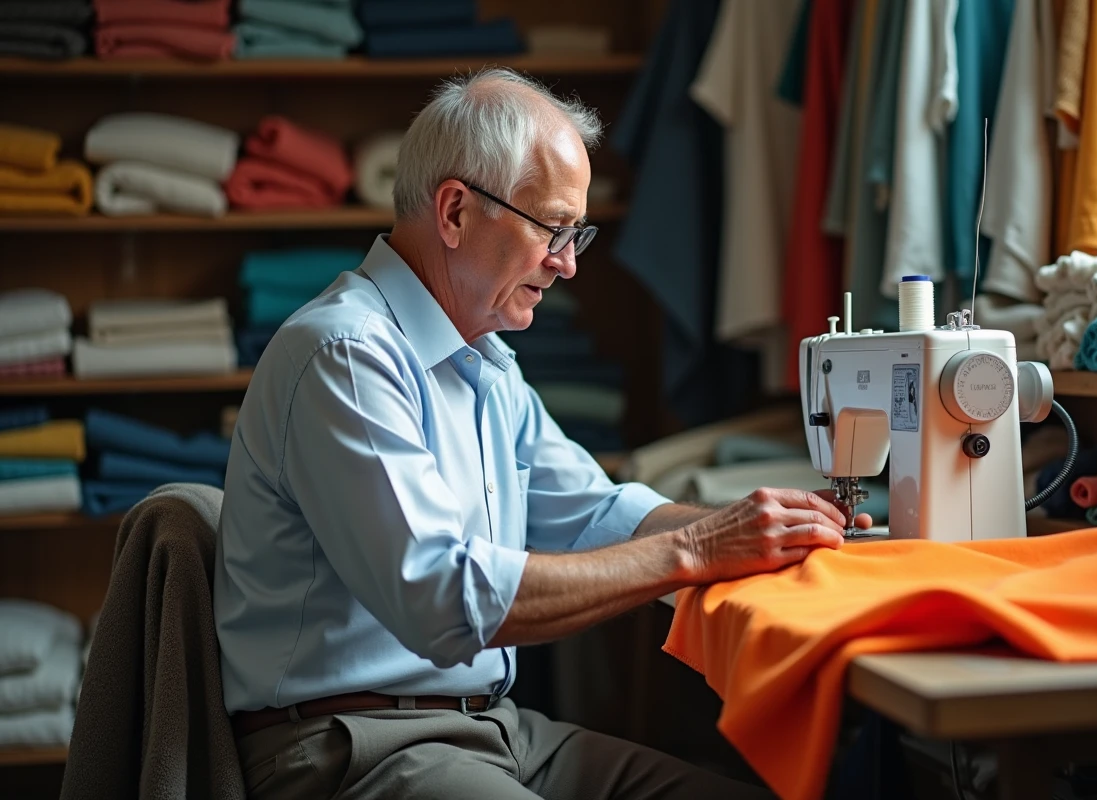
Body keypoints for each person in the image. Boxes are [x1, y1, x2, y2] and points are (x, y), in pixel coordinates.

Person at [213, 67, 870, 800]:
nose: (569, 262)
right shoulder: (345, 355)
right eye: (552, 229)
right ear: (456, 211)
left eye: (576, 231)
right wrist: (698, 549)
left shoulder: (485, 363)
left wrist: (769, 526)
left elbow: (596, 513)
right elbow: (443, 598)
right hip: (350, 748)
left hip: (491, 730)